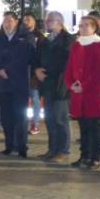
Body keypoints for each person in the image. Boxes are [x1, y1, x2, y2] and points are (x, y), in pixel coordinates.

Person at [65, 15, 100, 168]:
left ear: (94, 28)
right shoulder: (76, 44)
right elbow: (70, 66)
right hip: (78, 92)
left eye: (86, 25)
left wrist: (84, 85)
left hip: (92, 92)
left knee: (94, 126)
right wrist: (70, 83)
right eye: (81, 25)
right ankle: (84, 155)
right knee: (83, 126)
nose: (82, 28)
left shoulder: (99, 45)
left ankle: (95, 157)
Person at [0, 11, 35, 157]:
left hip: (19, 83)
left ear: (16, 22)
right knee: (6, 117)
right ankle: (9, 145)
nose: (7, 24)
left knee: (20, 116)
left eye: (10, 21)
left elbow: (26, 57)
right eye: (5, 21)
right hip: (2, 83)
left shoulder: (25, 37)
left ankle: (22, 146)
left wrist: (7, 69)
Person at [35, 11, 73, 163]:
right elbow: (38, 57)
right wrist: (37, 70)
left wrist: (48, 72)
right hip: (47, 84)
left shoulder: (68, 39)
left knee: (60, 119)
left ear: (59, 22)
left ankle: (63, 150)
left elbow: (66, 63)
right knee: (50, 118)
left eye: (49, 20)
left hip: (60, 84)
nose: (46, 23)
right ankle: (52, 148)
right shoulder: (45, 40)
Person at [22, 12, 44, 135]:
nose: (26, 22)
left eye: (28, 19)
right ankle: (23, 123)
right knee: (23, 100)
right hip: (22, 72)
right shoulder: (20, 35)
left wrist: (38, 71)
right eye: (24, 20)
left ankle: (35, 124)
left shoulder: (40, 37)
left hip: (34, 73)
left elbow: (41, 55)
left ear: (34, 21)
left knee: (35, 98)